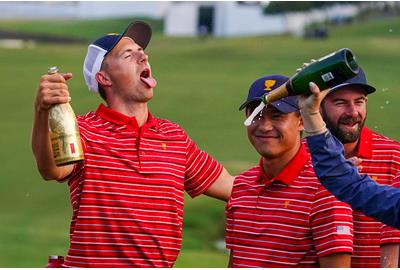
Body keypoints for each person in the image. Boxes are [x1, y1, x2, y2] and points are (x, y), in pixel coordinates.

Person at [32, 21, 233, 268]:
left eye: (141, 50)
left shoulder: (173, 136)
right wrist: (42, 111)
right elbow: (51, 169)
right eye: (129, 54)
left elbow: (233, 188)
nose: (143, 55)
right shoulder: (82, 130)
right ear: (104, 77)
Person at [225, 75, 354, 268]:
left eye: (277, 115)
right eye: (256, 115)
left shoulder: (326, 188)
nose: (264, 126)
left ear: (302, 120)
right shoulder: (242, 185)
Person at [310, 68, 400, 268]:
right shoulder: (299, 156)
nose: (352, 112)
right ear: (318, 106)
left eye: (359, 102)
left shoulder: (395, 156)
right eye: (340, 102)